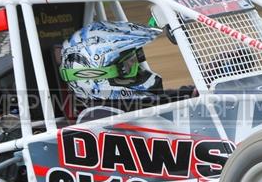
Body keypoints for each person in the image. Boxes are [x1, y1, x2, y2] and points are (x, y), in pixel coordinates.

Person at [59, 21, 194, 114]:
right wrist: (193, 95)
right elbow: (159, 103)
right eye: (127, 68)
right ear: (93, 78)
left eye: (135, 60)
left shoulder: (123, 107)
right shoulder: (107, 114)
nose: (138, 71)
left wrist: (192, 93)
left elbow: (163, 99)